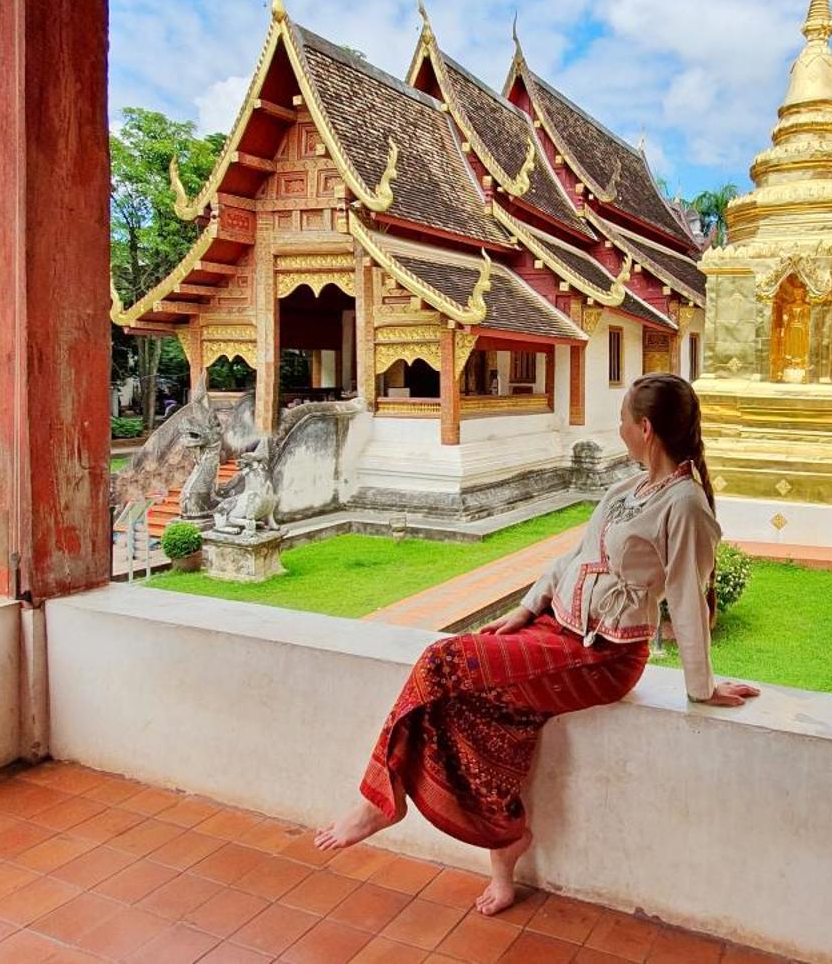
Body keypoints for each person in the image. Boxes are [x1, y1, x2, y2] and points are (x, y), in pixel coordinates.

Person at [313, 373, 759, 913]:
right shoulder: (631, 487)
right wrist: (525, 610)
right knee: (488, 717)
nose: (617, 429)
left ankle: (378, 800)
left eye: (622, 420)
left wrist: (703, 687)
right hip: (554, 631)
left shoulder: (684, 506)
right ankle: (507, 845)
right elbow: (573, 557)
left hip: (600, 656)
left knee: (441, 660)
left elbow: (688, 600)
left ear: (644, 428)